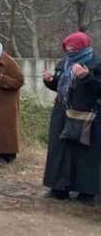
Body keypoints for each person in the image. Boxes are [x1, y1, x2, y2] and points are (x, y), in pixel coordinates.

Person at [42, 32, 101, 203]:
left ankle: (87, 191)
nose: (70, 53)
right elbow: (60, 86)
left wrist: (86, 77)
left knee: (86, 154)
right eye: (67, 50)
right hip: (62, 112)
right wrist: (50, 80)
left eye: (74, 49)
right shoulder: (64, 63)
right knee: (60, 150)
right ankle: (59, 188)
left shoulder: (96, 63)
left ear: (83, 47)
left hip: (89, 114)